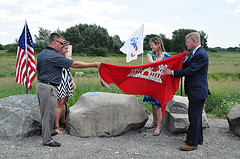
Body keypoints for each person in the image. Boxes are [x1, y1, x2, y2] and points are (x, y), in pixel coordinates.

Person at [36, 33, 101, 147]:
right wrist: (93, 64)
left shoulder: (42, 54)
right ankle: (47, 140)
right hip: (48, 87)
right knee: (48, 113)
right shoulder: (53, 55)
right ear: (55, 42)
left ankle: (47, 132)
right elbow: (74, 64)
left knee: (46, 112)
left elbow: (38, 71)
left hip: (42, 85)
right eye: (61, 43)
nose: (62, 46)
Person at [165, 32, 209, 151]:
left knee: (194, 116)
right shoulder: (193, 53)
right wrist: (177, 61)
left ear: (194, 41)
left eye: (188, 41)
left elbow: (190, 70)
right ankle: (198, 138)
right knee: (196, 116)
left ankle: (192, 143)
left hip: (198, 91)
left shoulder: (200, 55)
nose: (186, 43)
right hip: (195, 91)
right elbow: (185, 65)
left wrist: (172, 73)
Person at [143, 36, 171, 136]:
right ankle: (154, 121)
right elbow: (151, 63)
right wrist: (162, 65)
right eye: (150, 45)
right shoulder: (150, 54)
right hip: (151, 82)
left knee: (158, 105)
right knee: (153, 104)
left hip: (161, 84)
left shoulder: (167, 56)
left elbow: (172, 64)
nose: (151, 47)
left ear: (158, 45)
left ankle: (159, 126)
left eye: (152, 45)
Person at [54, 41, 76, 135]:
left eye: (68, 49)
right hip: (60, 82)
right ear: (60, 48)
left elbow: (68, 70)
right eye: (66, 49)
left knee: (64, 102)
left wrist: (72, 82)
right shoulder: (57, 57)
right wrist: (67, 60)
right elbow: (61, 69)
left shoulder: (64, 57)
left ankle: (63, 122)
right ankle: (56, 126)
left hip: (67, 81)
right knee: (59, 103)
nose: (67, 51)